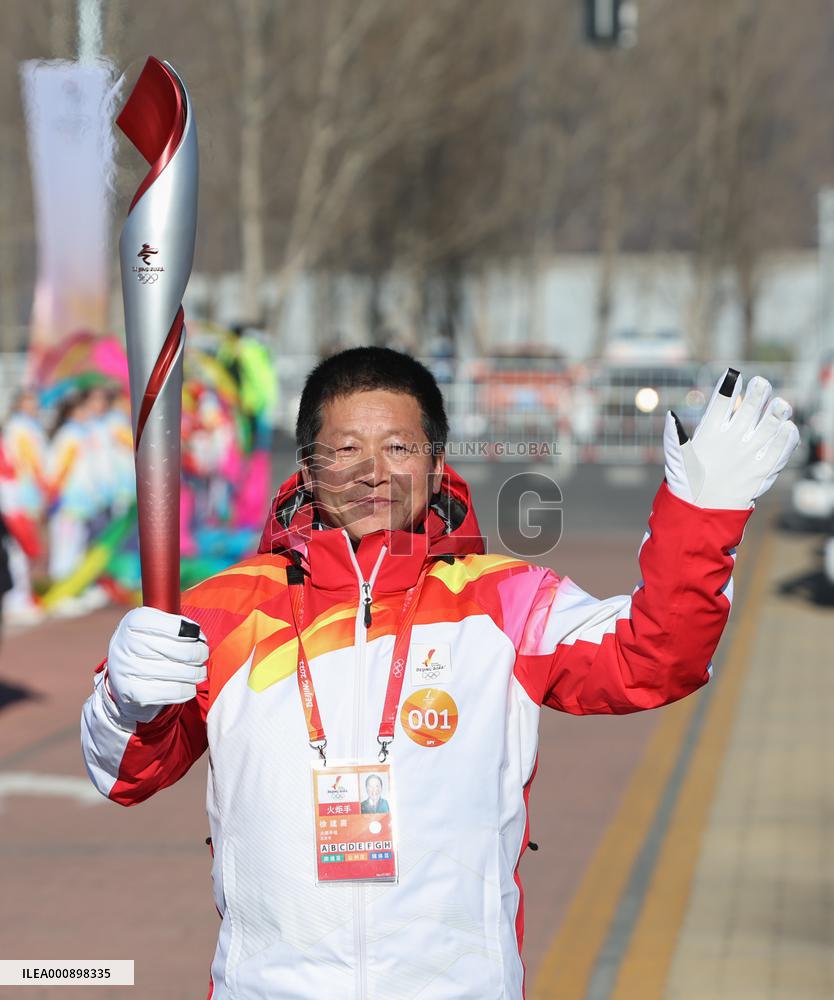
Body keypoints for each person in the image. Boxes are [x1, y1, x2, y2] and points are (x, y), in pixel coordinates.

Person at [81, 348, 799, 1000]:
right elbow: (124, 776)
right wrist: (124, 703)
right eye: (345, 449)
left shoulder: (505, 600)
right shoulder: (227, 610)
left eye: (399, 447)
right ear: (307, 468)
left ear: (434, 463)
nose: (373, 471)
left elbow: (656, 656)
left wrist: (704, 512)